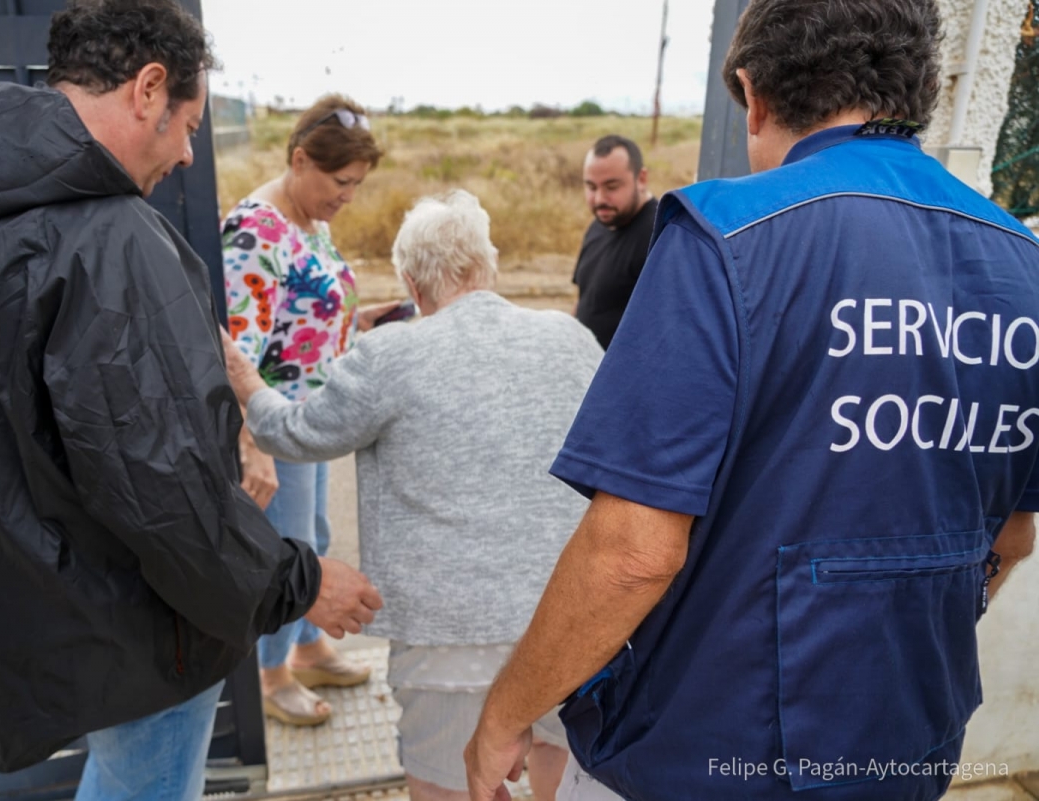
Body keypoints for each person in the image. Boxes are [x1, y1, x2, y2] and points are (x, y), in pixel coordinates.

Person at [465, 2, 1039, 800]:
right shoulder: (1024, 264)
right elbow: (1011, 537)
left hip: (713, 754)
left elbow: (633, 551)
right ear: (918, 88)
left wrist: (503, 714)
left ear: (753, 93)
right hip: (910, 743)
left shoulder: (727, 235)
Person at [0, 2, 381, 799]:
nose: (190, 154)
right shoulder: (108, 240)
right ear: (148, 89)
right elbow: (165, 492)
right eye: (189, 124)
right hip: (140, 611)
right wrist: (299, 580)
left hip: (50, 598)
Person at [222, 190, 603, 801]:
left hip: (447, 636)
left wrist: (245, 381)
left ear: (409, 283)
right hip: (568, 617)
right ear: (489, 265)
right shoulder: (572, 338)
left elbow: (294, 433)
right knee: (568, 762)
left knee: (448, 782)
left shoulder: (389, 354)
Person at [220, 94, 396, 727]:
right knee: (286, 557)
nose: (348, 197)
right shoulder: (256, 232)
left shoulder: (309, 221)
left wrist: (364, 319)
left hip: (311, 419)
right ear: (300, 160)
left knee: (314, 537)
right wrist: (253, 443)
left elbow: (308, 311)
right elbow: (232, 349)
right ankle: (271, 675)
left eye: (356, 185)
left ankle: (307, 648)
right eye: (341, 183)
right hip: (276, 420)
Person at [571, 135, 657, 349]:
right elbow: (583, 300)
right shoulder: (598, 225)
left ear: (641, 179)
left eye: (611, 187)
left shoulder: (660, 236)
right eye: (591, 187)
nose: (599, 199)